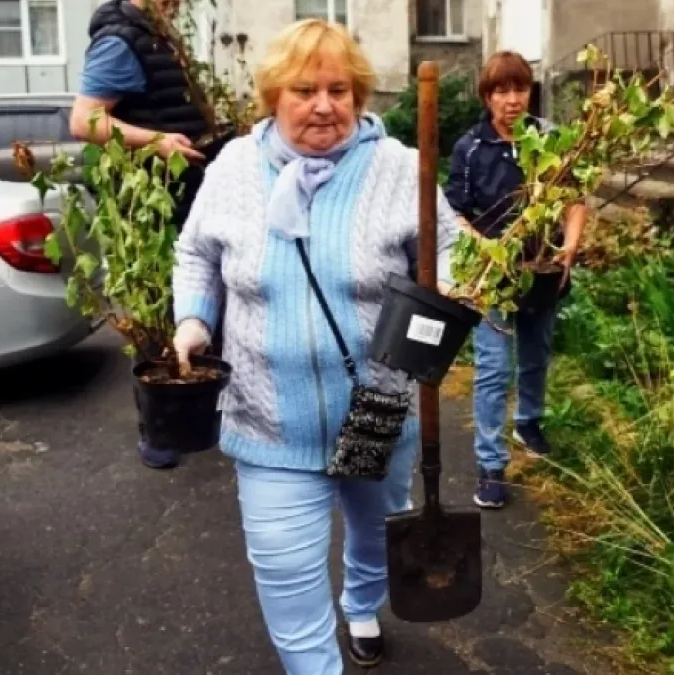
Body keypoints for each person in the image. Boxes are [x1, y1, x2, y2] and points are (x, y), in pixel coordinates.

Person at [170, 19, 462, 673]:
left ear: (359, 96)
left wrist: (471, 275)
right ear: (274, 96)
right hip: (270, 418)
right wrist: (193, 319)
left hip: (378, 407)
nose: (325, 104)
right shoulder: (235, 170)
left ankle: (361, 603)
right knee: (285, 570)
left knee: (373, 531)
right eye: (305, 89)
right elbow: (196, 253)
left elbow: (448, 253)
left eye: (340, 88)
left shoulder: (397, 170)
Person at [73, 0, 221, 471]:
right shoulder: (120, 38)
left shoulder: (155, 31)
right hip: (150, 205)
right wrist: (156, 142)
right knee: (155, 316)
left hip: (177, 194)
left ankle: (189, 418)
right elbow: (85, 119)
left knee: (184, 310)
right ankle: (158, 432)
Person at [444, 51, 588, 509]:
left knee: (535, 356)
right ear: (487, 97)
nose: (512, 99)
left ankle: (528, 422)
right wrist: (488, 250)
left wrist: (568, 249)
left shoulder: (547, 139)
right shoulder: (471, 148)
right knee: (491, 370)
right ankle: (490, 465)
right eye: (502, 91)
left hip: (543, 271)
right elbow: (456, 213)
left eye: (519, 89)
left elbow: (574, 199)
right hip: (493, 277)